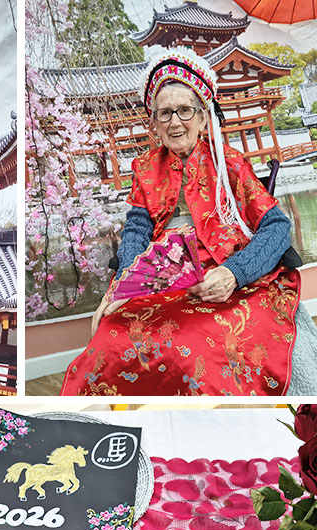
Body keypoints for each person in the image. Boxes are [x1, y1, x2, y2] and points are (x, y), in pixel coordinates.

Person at [61, 46, 317, 396]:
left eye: (184, 110)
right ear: (154, 122)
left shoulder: (229, 164)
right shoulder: (145, 169)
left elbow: (277, 227)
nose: (175, 122)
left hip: (227, 279)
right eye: (165, 113)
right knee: (112, 335)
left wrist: (235, 272)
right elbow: (137, 229)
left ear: (201, 116)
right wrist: (121, 286)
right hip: (163, 285)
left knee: (200, 342)